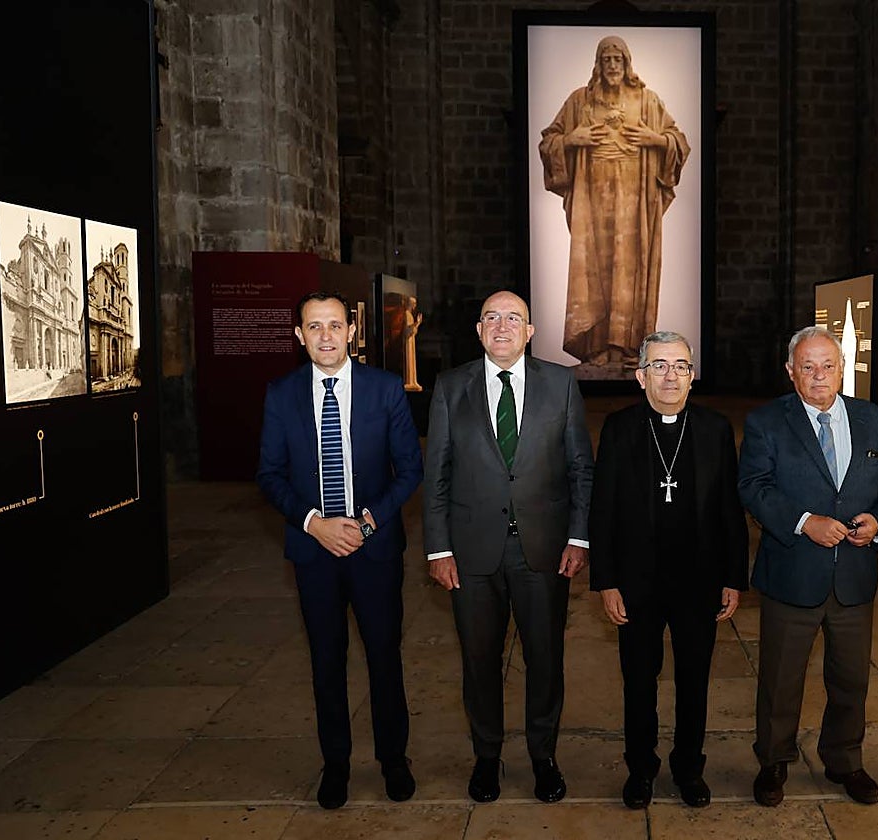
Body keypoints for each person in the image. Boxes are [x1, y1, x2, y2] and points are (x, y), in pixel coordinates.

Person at [422, 290, 594, 804]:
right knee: (479, 660)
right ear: (478, 331)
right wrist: (437, 549)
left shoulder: (561, 384)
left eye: (513, 318)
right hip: (471, 555)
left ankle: (543, 757)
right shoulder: (452, 387)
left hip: (543, 551)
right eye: (492, 318)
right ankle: (487, 758)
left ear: (530, 330)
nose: (502, 326)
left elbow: (581, 466)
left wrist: (578, 536)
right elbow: (437, 477)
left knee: (545, 659)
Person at [256, 291, 423, 809]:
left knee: (384, 658)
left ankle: (394, 762)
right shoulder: (281, 394)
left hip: (373, 551)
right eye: (314, 327)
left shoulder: (385, 389)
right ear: (299, 335)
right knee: (326, 662)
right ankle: (336, 766)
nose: (325, 336)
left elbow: (410, 470)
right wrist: (314, 524)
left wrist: (366, 524)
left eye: (334, 325)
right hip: (314, 554)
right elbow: (270, 474)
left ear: (351, 331)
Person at [738, 325, 878, 808]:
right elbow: (753, 485)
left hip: (855, 574)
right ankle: (772, 761)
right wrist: (803, 521)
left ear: (843, 368)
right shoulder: (767, 422)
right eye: (807, 366)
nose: (819, 375)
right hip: (793, 573)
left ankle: (844, 760)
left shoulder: (876, 421)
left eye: (828, 365)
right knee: (781, 678)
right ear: (791, 371)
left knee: (851, 677)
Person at [589, 331, 749, 809]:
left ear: (692, 375)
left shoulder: (716, 428)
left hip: (698, 580)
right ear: (640, 377)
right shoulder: (618, 429)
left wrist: (733, 577)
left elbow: (729, 509)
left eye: (680, 365)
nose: (671, 375)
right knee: (638, 681)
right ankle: (640, 768)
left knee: (695, 680)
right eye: (659, 366)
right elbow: (603, 510)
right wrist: (606, 580)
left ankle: (687, 768)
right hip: (637, 582)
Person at [539, 35, 690, 367]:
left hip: (634, 202)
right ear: (598, 63)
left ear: (627, 63)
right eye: (606, 59)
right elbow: (549, 139)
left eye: (617, 59)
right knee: (594, 271)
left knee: (629, 272)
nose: (612, 65)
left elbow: (679, 141)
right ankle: (597, 349)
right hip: (593, 200)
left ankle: (626, 348)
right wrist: (572, 139)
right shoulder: (581, 100)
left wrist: (655, 139)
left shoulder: (647, 101)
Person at [403, 296, 423, 392]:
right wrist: (416, 323)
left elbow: (413, 330)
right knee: (409, 359)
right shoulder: (407, 314)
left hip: (411, 340)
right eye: (413, 303)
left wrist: (417, 324)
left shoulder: (410, 315)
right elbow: (407, 330)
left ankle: (412, 381)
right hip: (408, 341)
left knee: (412, 359)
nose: (414, 306)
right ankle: (410, 381)